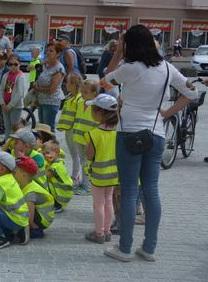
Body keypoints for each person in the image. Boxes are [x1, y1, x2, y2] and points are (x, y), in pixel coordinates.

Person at [102, 25, 197, 262]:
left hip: (129, 134)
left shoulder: (130, 68)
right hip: (155, 134)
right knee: (151, 191)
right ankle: (149, 248)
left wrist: (118, 50)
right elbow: (191, 92)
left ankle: (124, 249)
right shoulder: (166, 68)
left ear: (129, 45)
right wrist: (166, 113)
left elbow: (105, 80)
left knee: (129, 190)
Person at [83, 94, 119, 244]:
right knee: (109, 201)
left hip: (98, 174)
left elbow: (89, 155)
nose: (90, 112)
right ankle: (107, 231)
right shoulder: (118, 132)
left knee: (98, 204)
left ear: (100, 113)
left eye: (92, 110)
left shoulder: (93, 134)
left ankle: (98, 233)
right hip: (113, 174)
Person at [0, 152, 29, 249]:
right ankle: (14, 231)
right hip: (21, 218)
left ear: (3, 169)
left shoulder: (0, 182)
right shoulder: (9, 178)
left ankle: (0, 239)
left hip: (15, 219)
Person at [14, 156, 55, 239]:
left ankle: (35, 230)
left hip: (42, 219)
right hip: (41, 214)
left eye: (14, 172)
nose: (11, 174)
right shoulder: (26, 184)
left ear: (24, 175)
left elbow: (30, 216)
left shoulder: (30, 193)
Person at [72, 79, 100, 196]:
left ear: (94, 93)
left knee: (87, 162)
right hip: (78, 136)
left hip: (90, 139)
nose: (82, 94)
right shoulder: (79, 102)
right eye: (82, 91)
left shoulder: (96, 105)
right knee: (83, 160)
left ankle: (87, 185)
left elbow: (97, 123)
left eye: (86, 92)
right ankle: (84, 183)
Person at [56, 73, 83, 185]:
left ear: (73, 84)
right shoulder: (70, 96)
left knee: (77, 155)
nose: (65, 84)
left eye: (67, 82)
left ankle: (75, 177)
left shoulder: (79, 98)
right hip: (68, 129)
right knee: (73, 155)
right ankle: (75, 176)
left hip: (74, 130)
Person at [33, 42, 66, 132]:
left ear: (58, 54)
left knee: (49, 130)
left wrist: (38, 89)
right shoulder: (47, 65)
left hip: (51, 102)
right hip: (41, 101)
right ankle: (44, 146)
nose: (48, 52)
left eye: (51, 51)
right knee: (42, 129)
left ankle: (53, 146)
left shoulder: (59, 69)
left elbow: (52, 89)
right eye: (47, 50)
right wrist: (37, 83)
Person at [0, 54, 28, 139]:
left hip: (16, 106)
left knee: (15, 128)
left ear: (19, 64)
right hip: (5, 105)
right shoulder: (6, 75)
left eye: (15, 64)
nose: (13, 66)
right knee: (7, 127)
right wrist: (3, 103)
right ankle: (7, 144)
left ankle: (13, 146)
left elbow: (20, 93)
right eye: (10, 64)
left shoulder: (21, 76)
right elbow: (1, 90)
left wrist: (10, 105)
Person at [43, 140, 73, 213]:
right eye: (43, 154)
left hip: (62, 192)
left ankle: (57, 205)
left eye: (47, 153)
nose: (45, 156)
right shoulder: (58, 161)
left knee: (46, 184)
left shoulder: (56, 166)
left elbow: (46, 175)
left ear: (56, 153)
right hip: (65, 190)